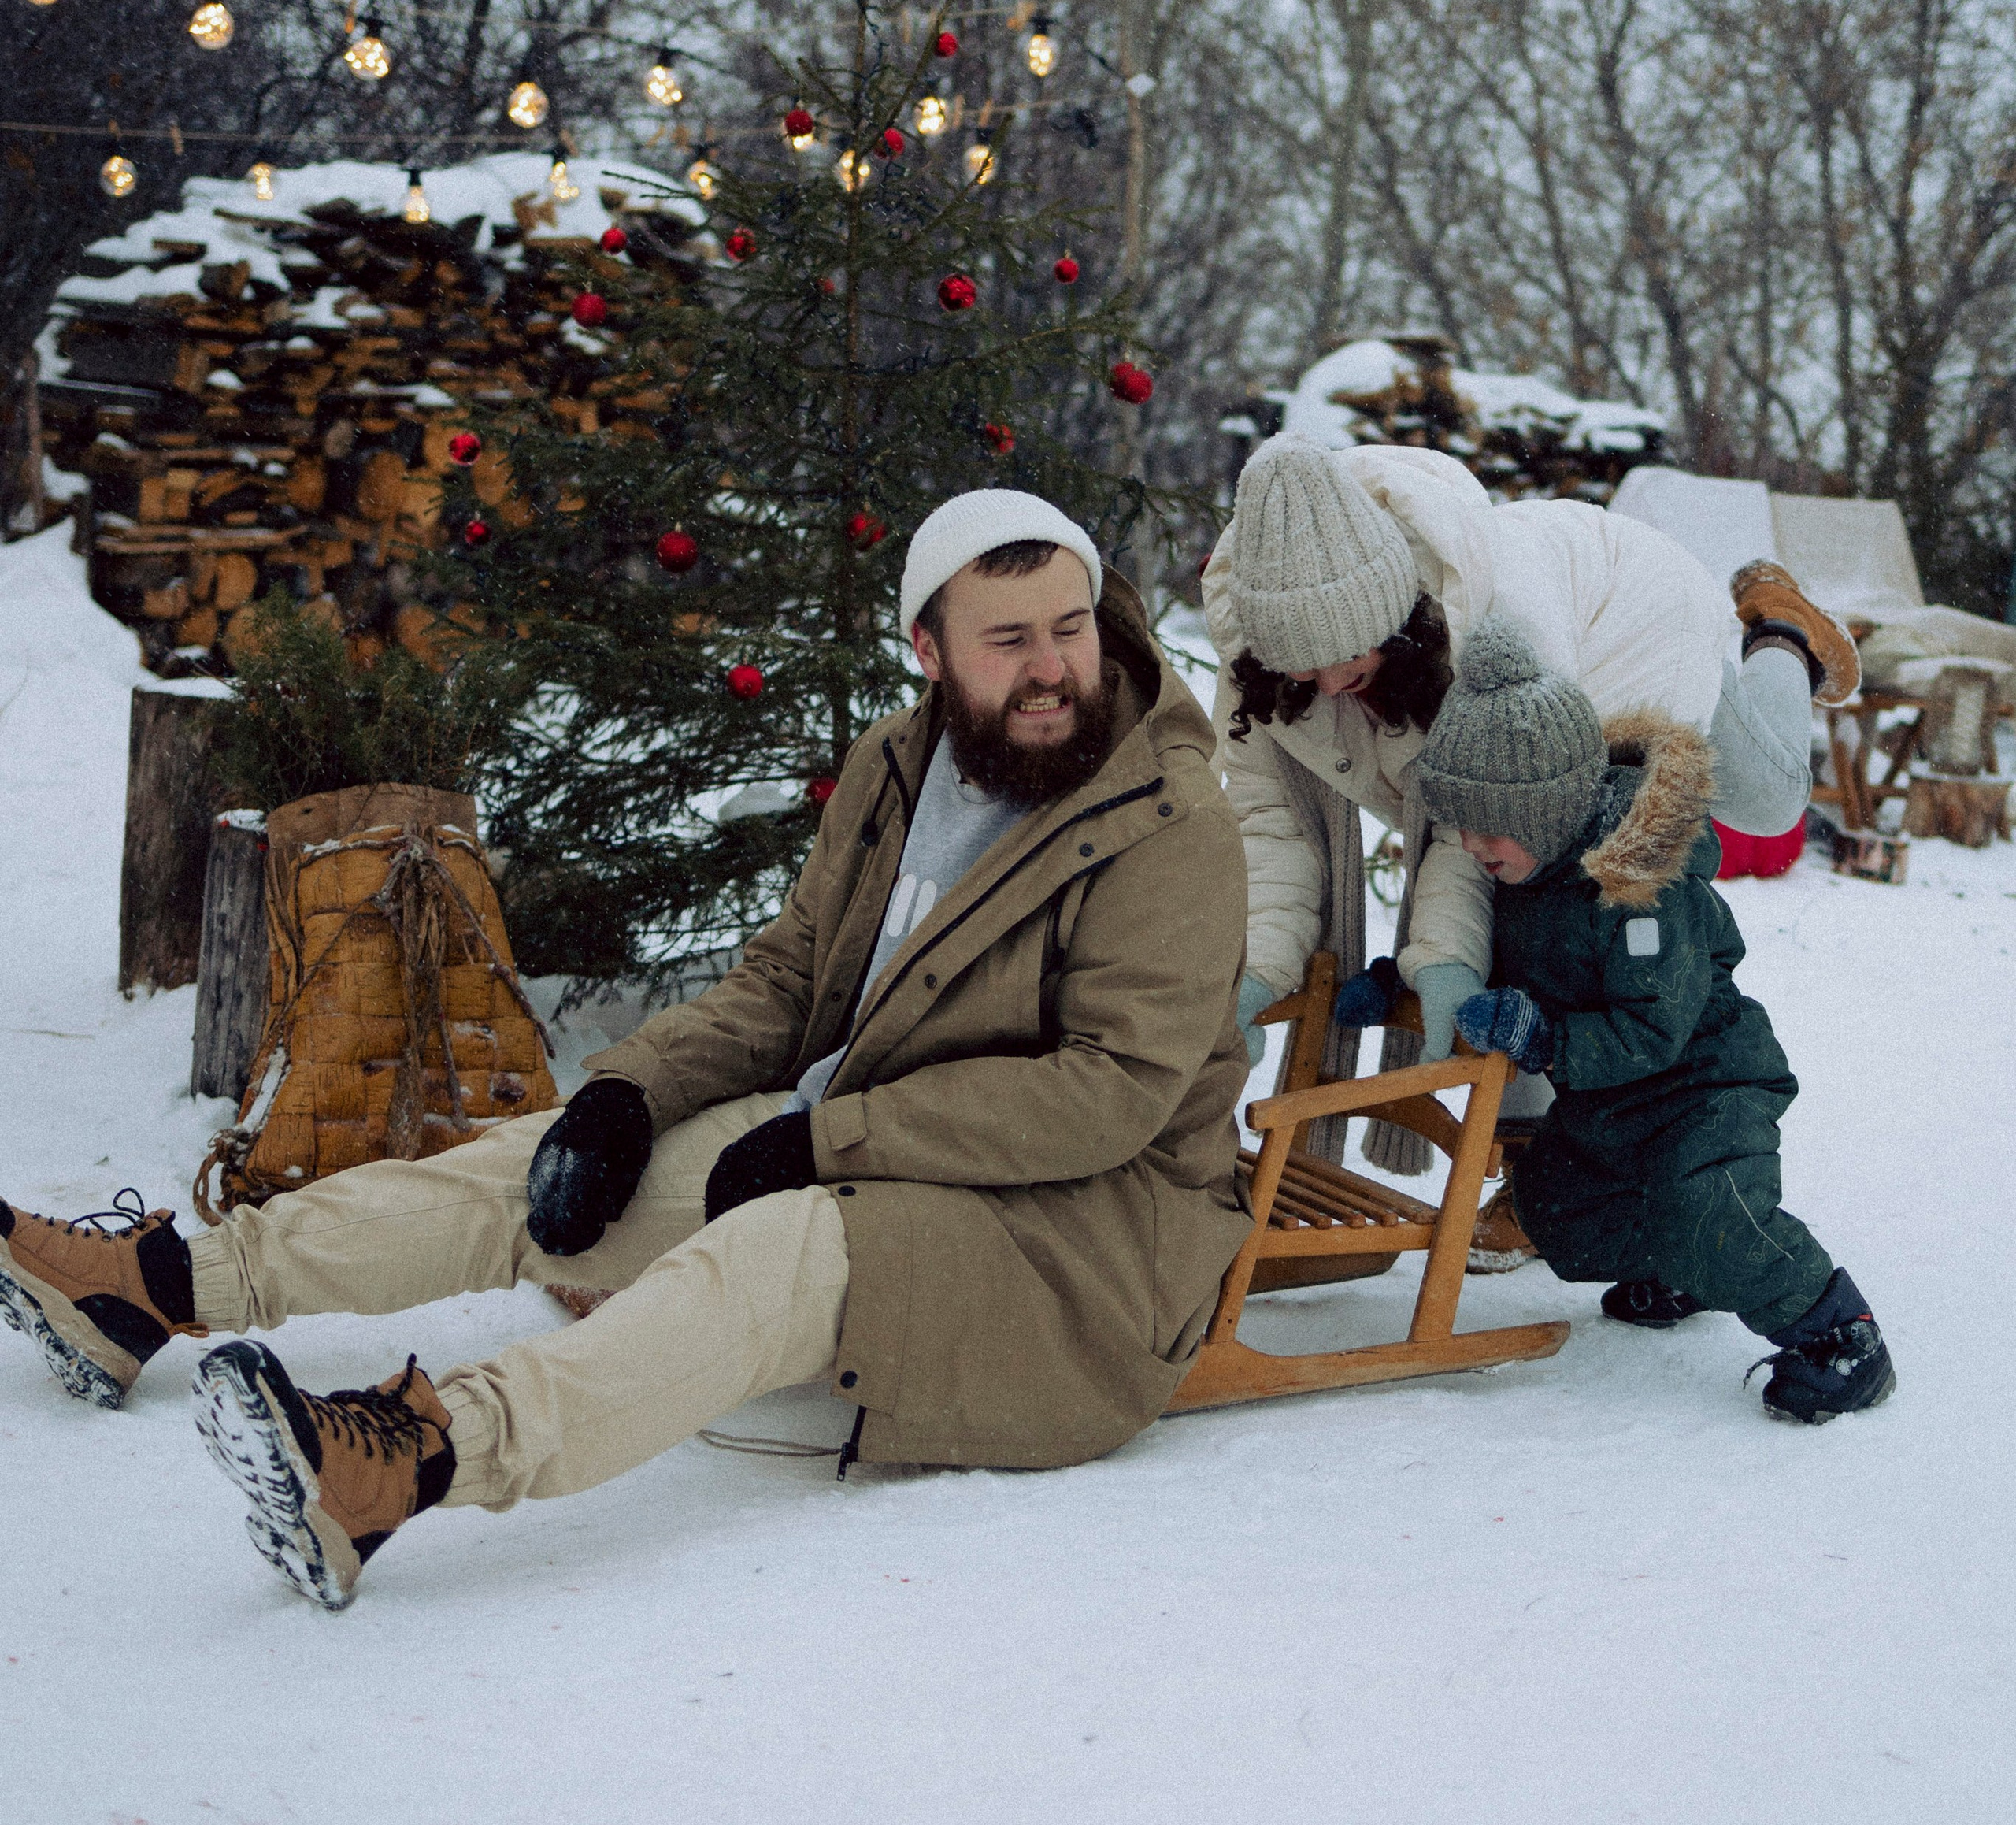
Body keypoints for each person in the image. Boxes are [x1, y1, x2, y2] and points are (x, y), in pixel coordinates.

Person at [0, 491, 1251, 1605]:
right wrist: (629, 1094)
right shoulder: (902, 764)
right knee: (536, 1171)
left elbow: (1108, 1097)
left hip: (1080, 1240)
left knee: (770, 1247)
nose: (1053, 669)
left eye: (1070, 626)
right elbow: (786, 982)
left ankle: (409, 1463)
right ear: (927, 652)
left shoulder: (1166, 824)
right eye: (1010, 638)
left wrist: (827, 1138)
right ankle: (157, 1290)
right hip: (875, 1149)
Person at [1202, 433, 1858, 1263]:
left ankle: (1780, 634)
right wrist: (1253, 975)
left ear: (1398, 621)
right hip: (1561, 641)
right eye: (1304, 670)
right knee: (1516, 904)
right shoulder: (1259, 645)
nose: (1327, 686)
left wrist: (1442, 963)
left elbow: (1473, 824)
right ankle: (1535, 1164)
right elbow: (1269, 824)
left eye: (1347, 664)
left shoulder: (1493, 619)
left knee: (1742, 813)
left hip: (1631, 625)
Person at [1407, 613, 1893, 1423]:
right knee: (1556, 1212)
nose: (1474, 844)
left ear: (1552, 810)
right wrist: (1403, 977)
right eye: (1463, 823)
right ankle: (1684, 1265)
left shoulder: (1643, 891)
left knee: (1707, 1207)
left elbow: (1651, 1028)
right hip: (1612, 1100)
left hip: (1705, 1083)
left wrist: (1547, 1040)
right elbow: (1507, 966)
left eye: (1491, 825)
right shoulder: (1528, 875)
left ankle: (1835, 1326)